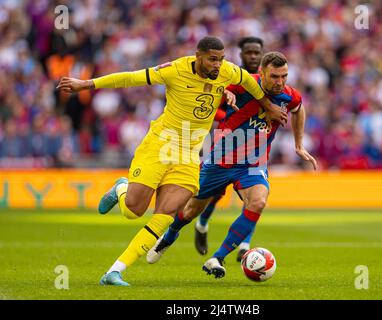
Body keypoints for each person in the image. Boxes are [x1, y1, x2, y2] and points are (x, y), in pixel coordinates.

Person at [56, 36, 287, 286]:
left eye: (220, 60)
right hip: (161, 145)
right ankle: (122, 188)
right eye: (212, 60)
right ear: (198, 56)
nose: (218, 65)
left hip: (189, 155)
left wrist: (269, 107)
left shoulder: (229, 71)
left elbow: (252, 87)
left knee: (166, 213)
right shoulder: (175, 69)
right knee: (134, 210)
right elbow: (130, 78)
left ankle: (115, 271)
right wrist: (85, 84)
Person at [146, 52, 317, 279]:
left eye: (284, 76)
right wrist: (223, 91)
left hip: (253, 163)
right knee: (189, 210)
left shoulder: (288, 95)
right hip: (221, 160)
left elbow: (299, 108)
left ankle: (218, 257)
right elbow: (213, 87)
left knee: (258, 201)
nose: (280, 82)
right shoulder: (244, 83)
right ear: (262, 73)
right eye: (275, 76)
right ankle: (170, 235)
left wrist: (298, 144)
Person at [195, 36, 264, 261]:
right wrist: (236, 117)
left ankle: (244, 244)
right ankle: (202, 224)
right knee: (213, 194)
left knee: (254, 196)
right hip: (225, 143)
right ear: (241, 54)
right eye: (249, 52)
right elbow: (211, 107)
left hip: (255, 147)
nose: (253, 56)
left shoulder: (265, 81)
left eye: (257, 52)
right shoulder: (229, 77)